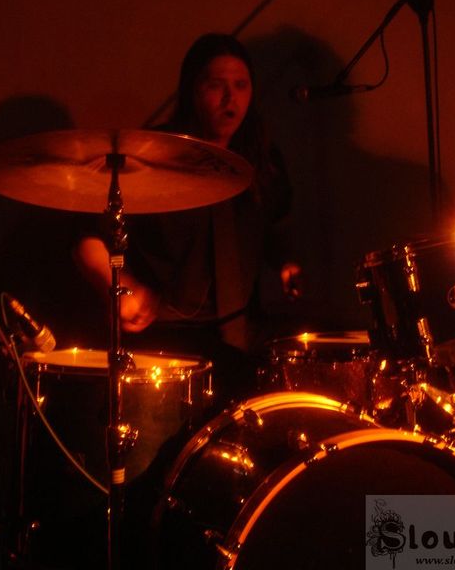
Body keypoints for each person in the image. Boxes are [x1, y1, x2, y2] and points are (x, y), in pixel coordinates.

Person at [74, 32, 302, 404]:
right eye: (215, 86)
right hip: (168, 335)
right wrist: (120, 289)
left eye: (240, 85)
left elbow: (275, 224)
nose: (230, 99)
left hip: (244, 329)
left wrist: (286, 264)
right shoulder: (153, 157)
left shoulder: (262, 158)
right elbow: (88, 238)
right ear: (192, 92)